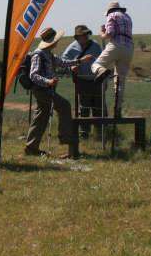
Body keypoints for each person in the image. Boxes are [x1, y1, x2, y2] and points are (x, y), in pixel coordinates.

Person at [25, 28, 75, 158]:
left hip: (46, 89)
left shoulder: (48, 54)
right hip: (43, 90)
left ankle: (31, 147)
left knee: (41, 116)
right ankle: (65, 139)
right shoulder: (39, 54)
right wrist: (48, 82)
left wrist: (79, 61)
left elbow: (62, 63)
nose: (57, 42)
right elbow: (33, 75)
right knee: (64, 106)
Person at [91, 1, 134, 115]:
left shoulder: (112, 15)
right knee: (120, 80)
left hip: (116, 44)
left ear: (109, 10)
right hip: (129, 47)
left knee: (96, 65)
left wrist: (102, 33)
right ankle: (117, 109)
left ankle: (102, 71)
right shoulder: (128, 17)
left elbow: (110, 34)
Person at [61, 24, 104, 137]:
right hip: (82, 80)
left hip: (97, 80)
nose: (85, 36)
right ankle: (84, 133)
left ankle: (100, 132)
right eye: (83, 35)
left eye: (86, 34)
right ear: (77, 37)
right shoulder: (72, 47)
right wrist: (71, 67)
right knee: (84, 108)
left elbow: (103, 61)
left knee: (99, 107)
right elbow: (63, 60)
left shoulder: (96, 46)